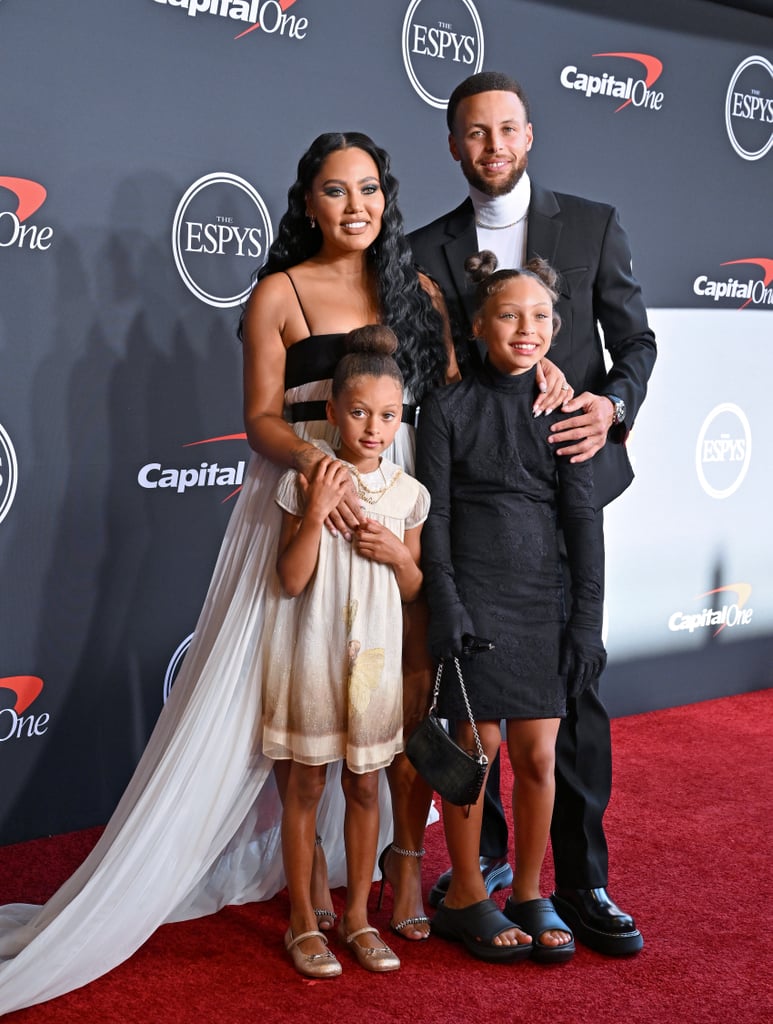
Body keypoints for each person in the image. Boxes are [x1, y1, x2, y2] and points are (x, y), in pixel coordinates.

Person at [0, 131, 454, 1015]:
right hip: (297, 499)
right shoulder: (279, 293)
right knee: (287, 706)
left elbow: (446, 398)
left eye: (368, 189)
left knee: (373, 714)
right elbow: (256, 419)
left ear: (385, 197)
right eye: (334, 190)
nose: (354, 206)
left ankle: (360, 901)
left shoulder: (417, 292)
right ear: (308, 201)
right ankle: (304, 916)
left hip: (386, 511)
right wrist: (323, 473)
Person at [409, 71, 657, 956]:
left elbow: (634, 340)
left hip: (568, 470)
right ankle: (493, 876)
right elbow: (416, 368)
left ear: (528, 134)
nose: (492, 146)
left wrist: (610, 404)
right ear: (453, 144)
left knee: (567, 686)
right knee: (479, 702)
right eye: (474, 133)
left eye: (506, 129)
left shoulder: (588, 223)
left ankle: (581, 876)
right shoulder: (425, 246)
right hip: (474, 487)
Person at [417, 252, 606, 964]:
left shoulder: (567, 408)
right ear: (478, 324)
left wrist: (584, 623)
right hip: (472, 591)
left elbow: (584, 524)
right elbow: (432, 521)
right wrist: (446, 604)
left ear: (554, 329)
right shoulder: (447, 408)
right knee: (477, 751)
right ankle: (466, 893)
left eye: (538, 318)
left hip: (541, 599)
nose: (524, 329)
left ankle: (528, 891)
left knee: (535, 753)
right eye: (507, 314)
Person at [267, 325, 429, 977]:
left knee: (366, 787)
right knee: (305, 784)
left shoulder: (409, 496)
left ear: (400, 420)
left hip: (375, 664)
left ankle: (358, 916)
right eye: (358, 412)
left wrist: (396, 554)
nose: (372, 428)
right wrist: (316, 513)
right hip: (310, 654)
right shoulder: (303, 483)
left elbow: (415, 587)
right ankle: (302, 921)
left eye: (387, 415)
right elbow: (290, 579)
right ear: (331, 411)